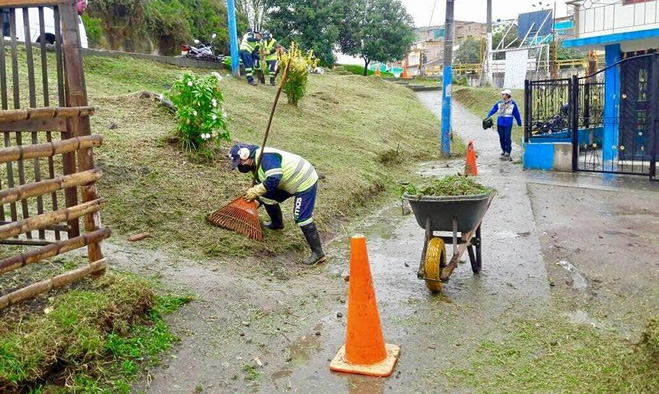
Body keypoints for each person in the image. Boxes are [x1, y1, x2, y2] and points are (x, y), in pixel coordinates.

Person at [230, 143, 326, 266]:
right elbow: (264, 189)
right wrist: (248, 204)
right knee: (266, 196)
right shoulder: (255, 165)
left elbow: (274, 178)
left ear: (245, 155)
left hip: (303, 179)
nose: (240, 166)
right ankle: (277, 225)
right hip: (288, 181)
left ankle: (318, 253)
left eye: (240, 162)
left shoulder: (264, 157)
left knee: (301, 217)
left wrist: (256, 191)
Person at [486, 89, 522, 161]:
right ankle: (503, 150)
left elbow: (516, 114)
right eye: (502, 94)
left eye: (504, 94)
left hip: (508, 124)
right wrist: (488, 116)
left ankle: (508, 151)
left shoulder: (513, 104)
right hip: (500, 123)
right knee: (501, 137)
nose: (502, 96)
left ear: (508, 95)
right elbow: (494, 109)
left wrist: (519, 122)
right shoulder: (499, 103)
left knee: (507, 137)